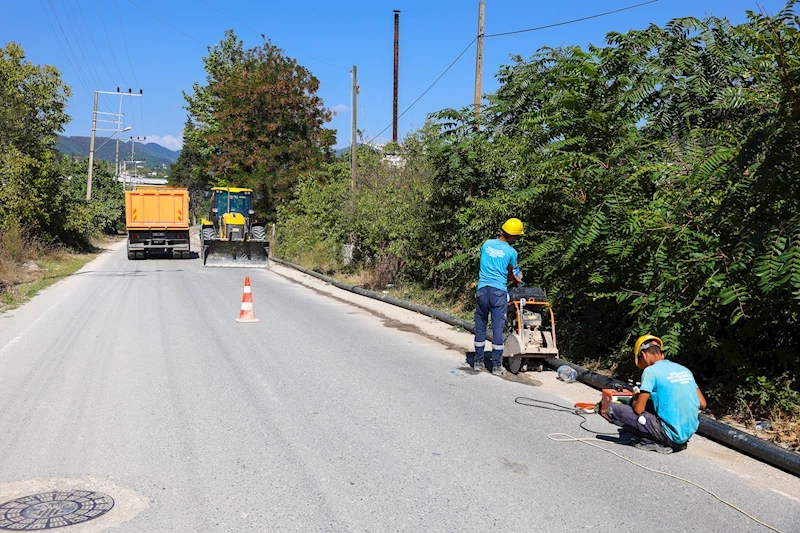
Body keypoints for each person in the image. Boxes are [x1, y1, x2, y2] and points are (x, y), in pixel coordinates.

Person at [606, 335, 708, 454]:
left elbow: (639, 409)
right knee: (651, 405)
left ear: (643, 355)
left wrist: (636, 397)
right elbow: (703, 404)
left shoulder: (650, 371)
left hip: (669, 435)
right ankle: (673, 440)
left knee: (613, 409)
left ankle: (655, 441)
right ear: (662, 354)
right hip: (686, 434)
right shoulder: (684, 370)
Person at [473, 218, 524, 376]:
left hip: (482, 290)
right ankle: (496, 366)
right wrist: (517, 281)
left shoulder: (487, 244)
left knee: (480, 326)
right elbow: (510, 274)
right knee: (497, 329)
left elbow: (486, 263)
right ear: (513, 236)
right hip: (498, 293)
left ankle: (478, 362)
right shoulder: (511, 252)